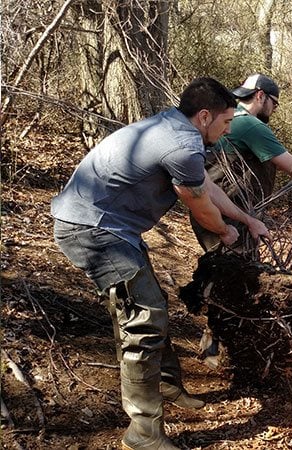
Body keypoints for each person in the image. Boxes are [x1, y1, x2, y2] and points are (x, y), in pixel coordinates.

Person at [51, 77, 269, 450]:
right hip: (93, 230)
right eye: (227, 122)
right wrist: (225, 231)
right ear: (204, 117)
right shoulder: (182, 145)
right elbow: (200, 204)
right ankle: (143, 432)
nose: (230, 128)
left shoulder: (174, 126)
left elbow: (208, 188)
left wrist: (246, 220)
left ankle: (166, 385)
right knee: (144, 317)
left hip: (112, 227)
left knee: (150, 306)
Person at [192, 73, 292, 253]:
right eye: (275, 103)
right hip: (229, 214)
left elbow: (273, 158)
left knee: (231, 271)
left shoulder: (235, 119)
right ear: (260, 96)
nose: (274, 109)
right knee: (233, 273)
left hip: (219, 209)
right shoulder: (251, 125)